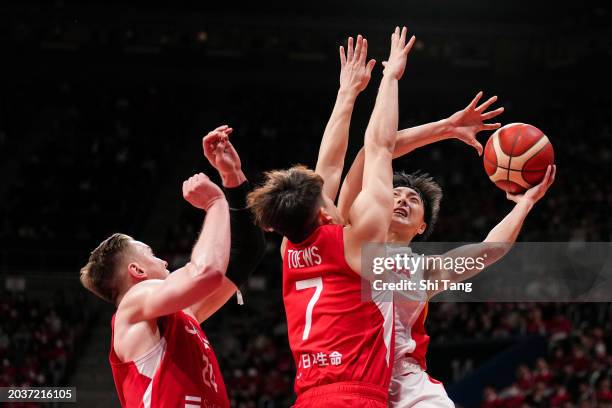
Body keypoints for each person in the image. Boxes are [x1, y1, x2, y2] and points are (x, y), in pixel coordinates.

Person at [326, 87, 556, 407]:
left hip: (407, 383)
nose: (403, 200)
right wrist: (445, 128)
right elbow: (371, 154)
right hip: (351, 377)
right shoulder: (350, 237)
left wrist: (525, 204)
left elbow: (491, 249)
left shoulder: (425, 271)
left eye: (413, 200)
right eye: (396, 195)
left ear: (421, 227)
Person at [247, 27, 415, 407]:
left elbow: (331, 167)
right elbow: (379, 147)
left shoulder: (289, 247)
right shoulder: (357, 241)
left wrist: (347, 93)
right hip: (355, 398)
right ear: (323, 210)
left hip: (308, 398)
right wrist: (390, 77)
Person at [79, 126, 265, 407]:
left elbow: (248, 252)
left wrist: (233, 178)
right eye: (151, 254)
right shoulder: (133, 304)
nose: (164, 260)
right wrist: (215, 203)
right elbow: (206, 273)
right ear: (136, 272)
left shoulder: (180, 314)